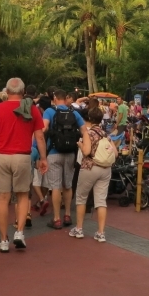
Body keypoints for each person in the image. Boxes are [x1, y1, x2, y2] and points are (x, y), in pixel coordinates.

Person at [0, 78, 47, 253]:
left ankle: (3, 240)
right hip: (23, 157)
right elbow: (39, 136)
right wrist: (43, 158)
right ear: (23, 92)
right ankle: (19, 232)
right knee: (23, 196)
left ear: (6, 92)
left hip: (1, 156)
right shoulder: (31, 109)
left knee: (2, 198)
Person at [42, 88, 88, 229]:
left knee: (55, 186)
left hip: (54, 152)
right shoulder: (74, 113)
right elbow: (84, 130)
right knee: (67, 185)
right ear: (66, 98)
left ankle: (56, 218)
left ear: (55, 98)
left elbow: (44, 129)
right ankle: (67, 215)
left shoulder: (49, 111)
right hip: (70, 152)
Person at [70, 106, 112, 242]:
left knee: (81, 197)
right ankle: (101, 233)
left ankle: (79, 229)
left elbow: (87, 152)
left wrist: (80, 145)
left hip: (90, 167)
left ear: (89, 118)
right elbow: (115, 152)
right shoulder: (106, 134)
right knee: (101, 201)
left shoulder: (88, 133)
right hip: (105, 169)